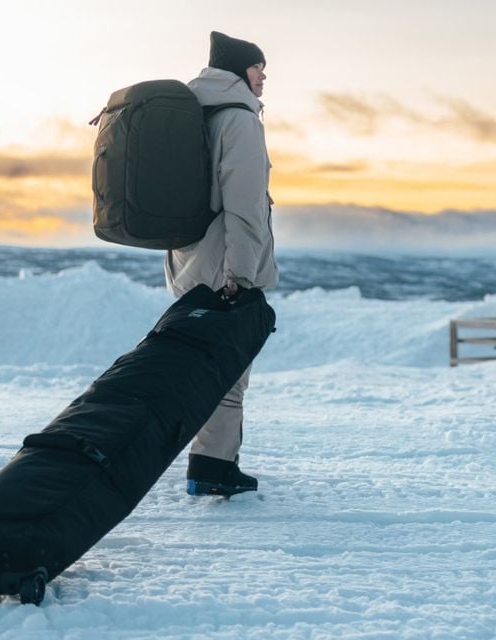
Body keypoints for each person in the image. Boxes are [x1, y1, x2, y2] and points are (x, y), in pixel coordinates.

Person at [169, 31, 277, 497]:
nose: (263, 79)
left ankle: (209, 462)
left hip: (186, 259)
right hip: (225, 261)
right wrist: (242, 276)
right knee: (227, 369)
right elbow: (246, 206)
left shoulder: (191, 112)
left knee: (203, 363)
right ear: (239, 71)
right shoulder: (238, 121)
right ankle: (212, 468)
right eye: (258, 70)